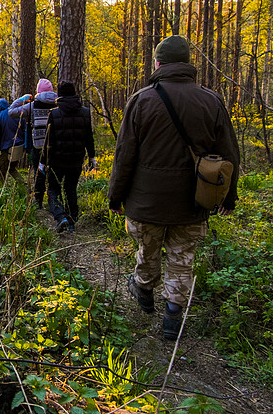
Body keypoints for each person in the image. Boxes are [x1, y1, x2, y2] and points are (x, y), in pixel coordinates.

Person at [108, 35, 240, 341]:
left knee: (148, 249)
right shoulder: (212, 101)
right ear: (187, 64)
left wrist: (115, 195)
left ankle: (143, 288)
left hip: (146, 200)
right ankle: (172, 315)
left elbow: (124, 155)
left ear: (158, 63)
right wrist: (228, 197)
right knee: (182, 258)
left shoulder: (141, 100)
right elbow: (229, 156)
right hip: (193, 201)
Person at [39, 81, 96, 233]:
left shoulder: (54, 113)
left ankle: (60, 216)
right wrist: (92, 157)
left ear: (60, 95)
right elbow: (89, 137)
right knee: (71, 189)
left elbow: (48, 141)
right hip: (76, 160)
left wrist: (42, 162)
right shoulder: (84, 112)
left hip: (57, 161)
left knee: (53, 189)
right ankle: (71, 221)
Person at [9, 78, 57, 207]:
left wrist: (22, 99)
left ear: (38, 91)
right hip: (55, 145)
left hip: (38, 144)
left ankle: (38, 199)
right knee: (53, 172)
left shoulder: (32, 106)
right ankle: (54, 201)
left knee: (38, 171)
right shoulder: (58, 104)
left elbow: (11, 112)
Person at [0, 97, 27, 185]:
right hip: (19, 147)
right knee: (11, 168)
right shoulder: (17, 113)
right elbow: (25, 130)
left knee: (1, 169)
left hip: (8, 149)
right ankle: (23, 185)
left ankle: (1, 190)